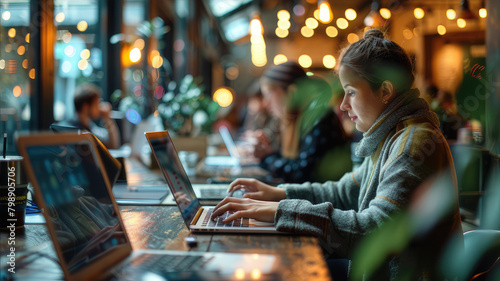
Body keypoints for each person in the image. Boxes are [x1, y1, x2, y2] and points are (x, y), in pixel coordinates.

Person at [211, 30, 462, 279]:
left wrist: (281, 210)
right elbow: (345, 191)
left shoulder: (413, 142)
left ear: (385, 91)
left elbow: (373, 232)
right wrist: (278, 194)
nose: (343, 104)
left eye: (351, 92)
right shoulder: (392, 136)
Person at [254, 61, 351, 183]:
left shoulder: (317, 118)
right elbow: (295, 162)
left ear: (292, 92)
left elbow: (301, 173)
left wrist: (267, 157)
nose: (265, 103)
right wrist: (268, 152)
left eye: (268, 94)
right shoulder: (296, 120)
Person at [63, 83, 121, 149]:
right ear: (85, 107)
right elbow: (113, 146)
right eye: (96, 104)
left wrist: (107, 119)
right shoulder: (74, 131)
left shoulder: (89, 126)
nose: (99, 108)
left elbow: (111, 145)